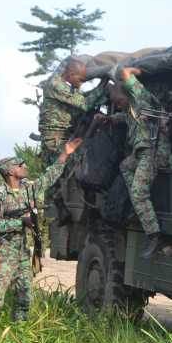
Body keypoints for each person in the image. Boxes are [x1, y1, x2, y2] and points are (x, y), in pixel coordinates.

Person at [0, 138, 82, 321]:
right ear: (10, 171)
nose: (24, 167)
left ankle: (18, 333)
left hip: (21, 251)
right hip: (4, 251)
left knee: (25, 299)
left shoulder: (27, 189)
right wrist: (20, 222)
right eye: (20, 166)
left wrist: (65, 154)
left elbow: (49, 178)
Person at [96, 67, 170, 259]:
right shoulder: (132, 109)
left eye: (118, 101)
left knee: (138, 193)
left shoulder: (141, 97)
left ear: (128, 93)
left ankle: (154, 236)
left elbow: (124, 71)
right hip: (141, 154)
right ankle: (138, 208)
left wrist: (140, 71)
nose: (118, 106)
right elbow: (125, 117)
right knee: (124, 166)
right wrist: (109, 118)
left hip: (153, 152)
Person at [38, 58, 108, 225]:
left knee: (53, 170)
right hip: (54, 139)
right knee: (82, 166)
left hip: (58, 137)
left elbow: (80, 103)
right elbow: (84, 104)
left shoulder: (68, 86)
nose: (81, 83)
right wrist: (102, 86)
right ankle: (90, 214)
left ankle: (62, 208)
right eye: (80, 79)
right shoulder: (57, 85)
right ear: (70, 74)